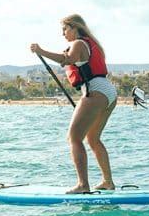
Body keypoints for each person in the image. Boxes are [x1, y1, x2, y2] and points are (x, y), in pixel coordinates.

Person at [30, 14, 117, 194]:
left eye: (65, 29)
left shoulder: (78, 43)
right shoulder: (89, 43)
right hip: (108, 91)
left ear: (75, 27)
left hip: (95, 90)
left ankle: (82, 185)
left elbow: (66, 60)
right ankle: (108, 182)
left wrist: (41, 51)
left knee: (74, 138)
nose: (63, 33)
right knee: (92, 139)